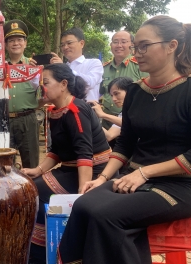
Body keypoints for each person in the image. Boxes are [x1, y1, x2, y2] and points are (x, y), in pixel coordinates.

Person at [58, 15, 191, 264]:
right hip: (134, 179)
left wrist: (143, 173)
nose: (137, 52)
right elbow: (125, 143)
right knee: (83, 205)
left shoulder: (187, 90)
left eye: (144, 46)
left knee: (106, 216)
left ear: (172, 46)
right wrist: (102, 178)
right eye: (135, 47)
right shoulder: (137, 91)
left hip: (180, 185)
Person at [20, 63, 112, 264]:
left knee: (35, 192)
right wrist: (38, 169)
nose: (42, 88)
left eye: (46, 83)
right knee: (30, 187)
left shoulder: (76, 110)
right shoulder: (55, 111)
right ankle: (41, 251)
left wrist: (82, 192)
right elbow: (57, 151)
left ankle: (43, 254)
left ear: (63, 84)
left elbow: (84, 154)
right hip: (72, 167)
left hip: (94, 170)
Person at [4, 19, 41, 169]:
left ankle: (33, 192)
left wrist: (36, 72)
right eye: (11, 40)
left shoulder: (34, 66)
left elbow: (42, 92)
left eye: (19, 39)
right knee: (5, 164)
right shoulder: (0, 68)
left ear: (25, 43)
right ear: (6, 45)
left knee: (31, 163)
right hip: (4, 120)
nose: (15, 43)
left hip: (28, 119)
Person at [101, 31, 147, 130]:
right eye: (115, 42)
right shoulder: (104, 68)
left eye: (123, 42)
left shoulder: (140, 65)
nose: (119, 45)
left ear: (132, 45)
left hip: (129, 121)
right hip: (106, 121)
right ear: (111, 45)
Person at [50, 27, 103, 102]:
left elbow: (89, 83)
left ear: (81, 43)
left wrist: (65, 69)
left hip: (87, 110)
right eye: (62, 45)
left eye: (69, 43)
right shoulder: (62, 67)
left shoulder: (94, 63)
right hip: (64, 110)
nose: (65, 47)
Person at [89, 77, 133, 142]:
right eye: (112, 95)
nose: (114, 99)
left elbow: (130, 122)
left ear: (129, 91)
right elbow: (109, 136)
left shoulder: (141, 106)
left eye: (116, 94)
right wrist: (91, 118)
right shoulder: (123, 113)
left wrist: (103, 115)